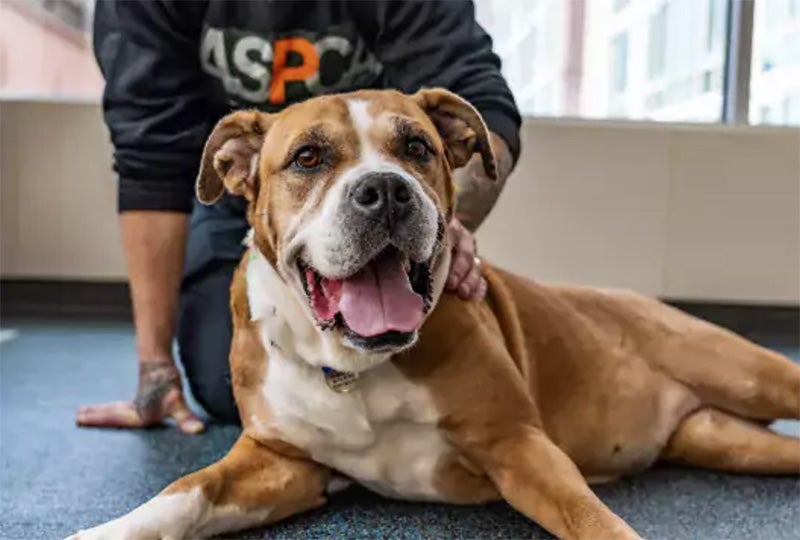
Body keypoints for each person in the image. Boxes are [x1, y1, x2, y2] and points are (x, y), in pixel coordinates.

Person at [76, 0, 521, 433]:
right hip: (259, 196)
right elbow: (150, 156)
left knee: (440, 346)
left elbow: (478, 102)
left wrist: (446, 223)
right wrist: (155, 367)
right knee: (221, 380)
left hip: (402, 192)